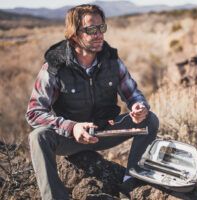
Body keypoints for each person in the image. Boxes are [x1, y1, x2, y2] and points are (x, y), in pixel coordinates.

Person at [25, 4, 159, 200]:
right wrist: (72, 127)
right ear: (73, 34)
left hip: (106, 131)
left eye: (101, 28)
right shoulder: (54, 66)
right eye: (91, 30)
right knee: (38, 137)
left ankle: (132, 179)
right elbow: (34, 112)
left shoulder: (112, 61)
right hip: (71, 138)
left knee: (150, 120)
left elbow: (133, 94)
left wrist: (139, 107)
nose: (99, 34)